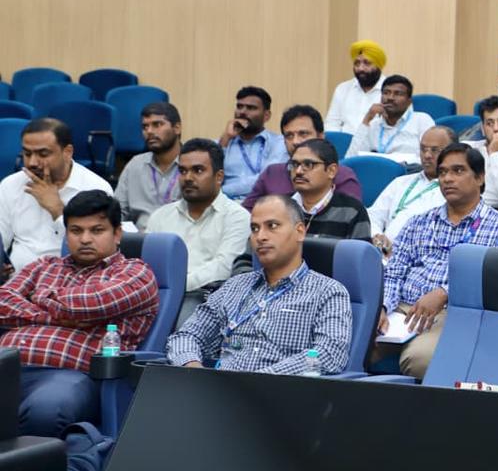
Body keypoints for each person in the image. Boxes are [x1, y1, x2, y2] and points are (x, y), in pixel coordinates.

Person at [0, 191, 157, 436]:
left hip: (71, 376)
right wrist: (57, 315)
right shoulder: (45, 265)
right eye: (76, 231)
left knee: (47, 410)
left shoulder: (136, 273)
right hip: (7, 365)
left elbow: (89, 304)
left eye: (96, 230)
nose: (85, 239)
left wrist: (39, 296)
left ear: (117, 234)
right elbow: (2, 302)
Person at [379, 144, 498, 378]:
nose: (447, 179)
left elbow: (496, 287)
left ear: (479, 178)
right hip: (402, 310)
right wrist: (383, 307)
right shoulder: (419, 222)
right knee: (353, 344)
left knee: (420, 360)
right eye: (443, 172)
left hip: (457, 313)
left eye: (458, 171)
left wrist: (445, 293)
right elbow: (394, 273)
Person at [166, 195, 352, 375]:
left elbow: (329, 354)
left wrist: (260, 380)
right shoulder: (234, 287)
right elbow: (186, 336)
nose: (260, 236)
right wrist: (193, 370)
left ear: (300, 231)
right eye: (255, 228)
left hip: (282, 397)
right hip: (220, 395)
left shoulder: (328, 292)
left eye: (272, 226)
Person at [0, 118, 112, 277]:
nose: (32, 162)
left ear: (67, 152)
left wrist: (57, 210)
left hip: (70, 283)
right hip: (16, 282)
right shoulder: (11, 185)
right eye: (27, 153)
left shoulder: (95, 187)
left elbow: (97, 249)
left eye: (43, 154)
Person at [146, 139, 250, 294]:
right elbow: (146, 265)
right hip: (158, 296)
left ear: (219, 177)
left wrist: (174, 287)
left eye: (198, 170)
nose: (188, 178)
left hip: (208, 297)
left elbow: (223, 269)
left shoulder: (237, 217)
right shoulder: (160, 216)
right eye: (183, 171)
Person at [242, 105, 362, 210]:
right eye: (289, 135)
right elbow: (246, 214)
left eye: (303, 134)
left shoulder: (341, 176)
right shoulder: (271, 173)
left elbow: (352, 220)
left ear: (321, 136)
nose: (295, 141)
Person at [368, 126, 457, 251]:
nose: (427, 155)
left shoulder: (455, 190)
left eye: (434, 150)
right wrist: (377, 236)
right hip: (382, 252)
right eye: (423, 149)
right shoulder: (401, 182)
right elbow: (373, 216)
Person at [114, 101, 182, 231]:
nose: (149, 131)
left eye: (157, 125)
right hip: (139, 240)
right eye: (145, 127)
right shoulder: (135, 164)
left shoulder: (191, 166)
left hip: (179, 239)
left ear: (177, 128)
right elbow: (117, 211)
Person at [288, 140, 371, 241]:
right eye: (295, 164)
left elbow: (360, 255)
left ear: (331, 171)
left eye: (308, 164)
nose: (298, 171)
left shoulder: (352, 211)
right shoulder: (280, 207)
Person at [219, 86, 288, 200]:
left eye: (251, 108)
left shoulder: (279, 143)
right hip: (225, 207)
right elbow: (210, 176)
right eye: (239, 106)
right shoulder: (223, 143)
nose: (242, 112)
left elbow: (267, 179)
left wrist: (220, 192)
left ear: (266, 115)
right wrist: (225, 140)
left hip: (263, 204)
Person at [347, 74, 435, 163]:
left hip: (409, 173)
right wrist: (367, 119)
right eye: (386, 93)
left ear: (409, 101)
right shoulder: (373, 124)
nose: (390, 98)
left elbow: (431, 157)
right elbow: (351, 159)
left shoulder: (422, 120)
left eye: (398, 94)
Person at [325, 39, 386, 134]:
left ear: (378, 65)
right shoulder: (343, 89)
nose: (361, 68)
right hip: (345, 145)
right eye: (357, 63)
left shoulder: (391, 91)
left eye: (367, 63)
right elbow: (332, 124)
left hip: (377, 147)